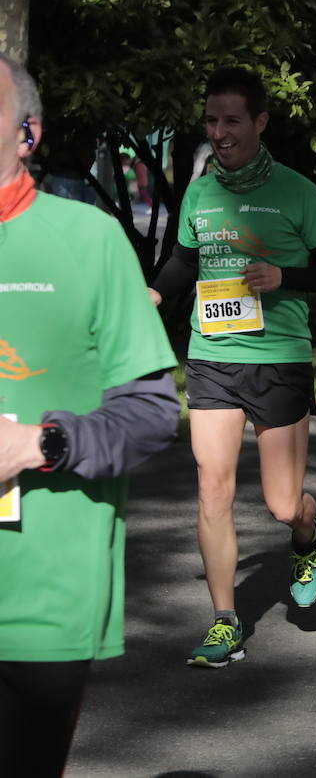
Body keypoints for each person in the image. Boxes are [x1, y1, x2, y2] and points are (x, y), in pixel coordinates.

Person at [0, 54, 180, 775]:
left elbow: (150, 413)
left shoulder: (90, 240)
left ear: (27, 134)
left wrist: (38, 444)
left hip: (40, 596)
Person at [150, 67, 316, 668]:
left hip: (279, 358)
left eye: (232, 120)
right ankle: (224, 620)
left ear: (260, 122)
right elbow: (186, 256)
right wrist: (157, 295)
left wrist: (285, 276)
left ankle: (308, 537)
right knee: (212, 487)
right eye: (212, 121)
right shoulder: (200, 189)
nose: (220, 132)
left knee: (283, 504)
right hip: (212, 354)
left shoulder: (297, 191)